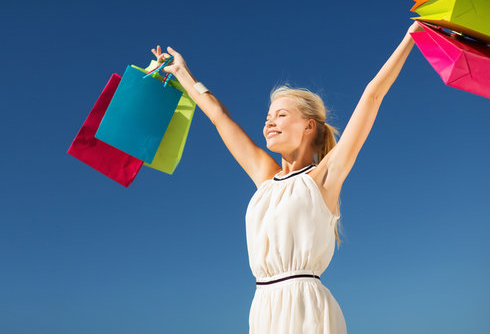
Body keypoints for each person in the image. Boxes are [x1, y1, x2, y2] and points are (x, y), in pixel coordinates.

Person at [150, 21, 424, 333]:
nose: (270, 122)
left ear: (309, 126)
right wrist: (182, 72)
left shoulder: (323, 178)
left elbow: (372, 96)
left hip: (306, 309)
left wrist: (411, 36)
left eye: (281, 115)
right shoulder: (266, 179)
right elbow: (218, 116)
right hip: (263, 308)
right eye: (268, 117)